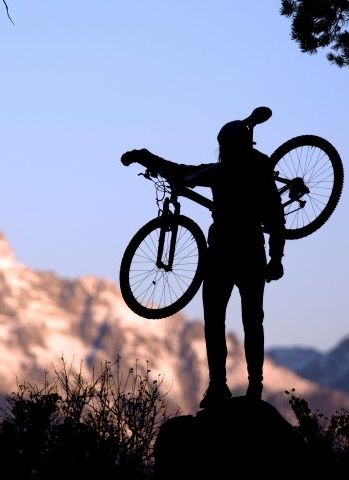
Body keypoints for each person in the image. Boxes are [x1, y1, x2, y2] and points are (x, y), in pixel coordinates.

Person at [121, 120, 285, 409]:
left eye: (229, 145)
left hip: (241, 253)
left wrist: (276, 258)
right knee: (222, 321)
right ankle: (221, 385)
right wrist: (144, 157)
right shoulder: (224, 172)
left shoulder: (251, 173)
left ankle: (249, 385)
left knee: (245, 321)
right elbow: (182, 171)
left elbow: (275, 219)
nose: (225, 150)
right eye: (223, 145)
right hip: (227, 253)